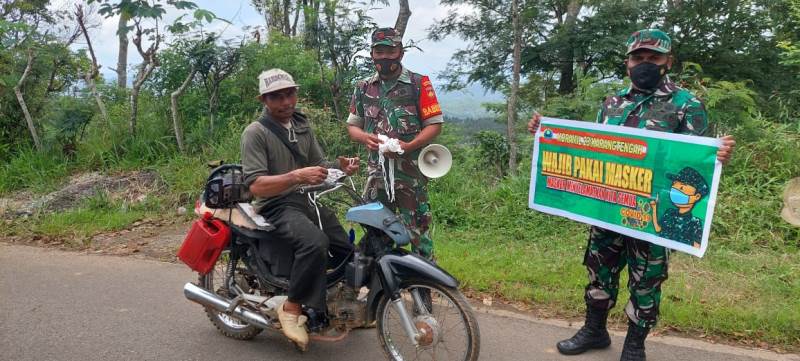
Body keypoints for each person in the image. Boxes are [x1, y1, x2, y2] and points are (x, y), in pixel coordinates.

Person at [527, 29, 736, 361]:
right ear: (627, 62)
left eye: (654, 58)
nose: (645, 64)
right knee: (599, 268)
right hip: (608, 208)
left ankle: (634, 346)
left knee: (647, 280)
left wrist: (716, 155)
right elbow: (591, 147)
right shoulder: (613, 103)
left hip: (651, 214)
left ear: (668, 62)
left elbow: (695, 165)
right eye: (638, 57)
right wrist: (547, 134)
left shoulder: (687, 105)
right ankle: (595, 331)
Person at [241, 68, 359, 351]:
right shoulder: (255, 133)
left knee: (347, 249)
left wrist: (339, 167)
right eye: (276, 97)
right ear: (264, 101)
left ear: (296, 93)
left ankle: (341, 305)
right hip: (276, 204)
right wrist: (296, 177)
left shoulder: (302, 125)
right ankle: (292, 308)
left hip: (307, 200)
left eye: (290, 94)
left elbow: (317, 166)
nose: (285, 102)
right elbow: (256, 186)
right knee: (315, 243)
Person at [346, 27, 444, 260]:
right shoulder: (363, 88)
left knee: (418, 231)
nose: (385, 57)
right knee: (378, 231)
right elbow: (353, 126)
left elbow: (435, 125)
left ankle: (424, 289)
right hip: (377, 177)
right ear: (372, 54)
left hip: (411, 177)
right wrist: (365, 138)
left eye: (390, 51)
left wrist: (410, 145)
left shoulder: (419, 84)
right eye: (379, 51)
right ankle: (377, 284)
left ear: (400, 52)